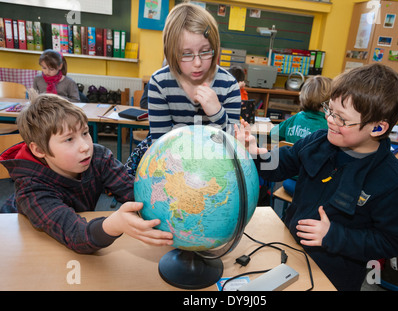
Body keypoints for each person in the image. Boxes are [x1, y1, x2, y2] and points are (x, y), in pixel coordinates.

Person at [234, 63, 398, 291]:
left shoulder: (391, 180)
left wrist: (333, 235)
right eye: (329, 109)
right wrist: (254, 154)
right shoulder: (318, 141)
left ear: (377, 128)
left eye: (342, 119)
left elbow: (391, 242)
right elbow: (281, 164)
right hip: (290, 249)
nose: (329, 119)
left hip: (335, 273)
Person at [0, 92, 173, 254]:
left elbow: (132, 192)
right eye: (69, 139)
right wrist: (113, 225)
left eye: (85, 133)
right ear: (38, 150)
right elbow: (75, 234)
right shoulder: (31, 189)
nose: (85, 146)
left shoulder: (98, 157)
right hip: (16, 237)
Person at [125, 2, 241, 176]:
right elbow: (161, 144)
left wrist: (217, 113)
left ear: (215, 48)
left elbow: (232, 146)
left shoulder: (229, 85)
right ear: (171, 53)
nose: (197, 63)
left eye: (205, 51)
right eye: (186, 54)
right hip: (172, 162)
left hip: (214, 163)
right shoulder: (160, 83)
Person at [270, 75, 331, 196]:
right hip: (314, 186)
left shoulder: (296, 118)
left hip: (289, 181)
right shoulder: (329, 126)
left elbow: (273, 134)